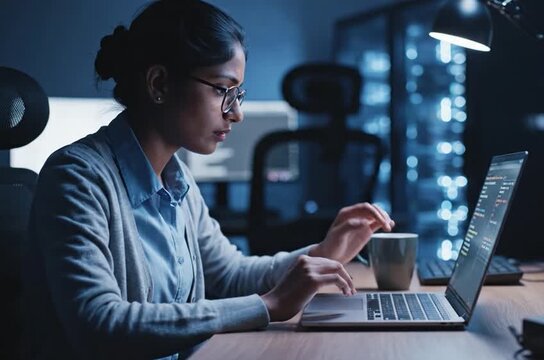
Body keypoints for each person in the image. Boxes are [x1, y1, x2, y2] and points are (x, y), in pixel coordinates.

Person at [21, 0, 395, 359]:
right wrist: (268, 306)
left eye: (238, 94)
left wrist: (322, 254)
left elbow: (230, 276)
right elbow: (100, 324)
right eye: (221, 90)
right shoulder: (77, 178)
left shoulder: (176, 179)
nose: (237, 114)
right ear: (159, 84)